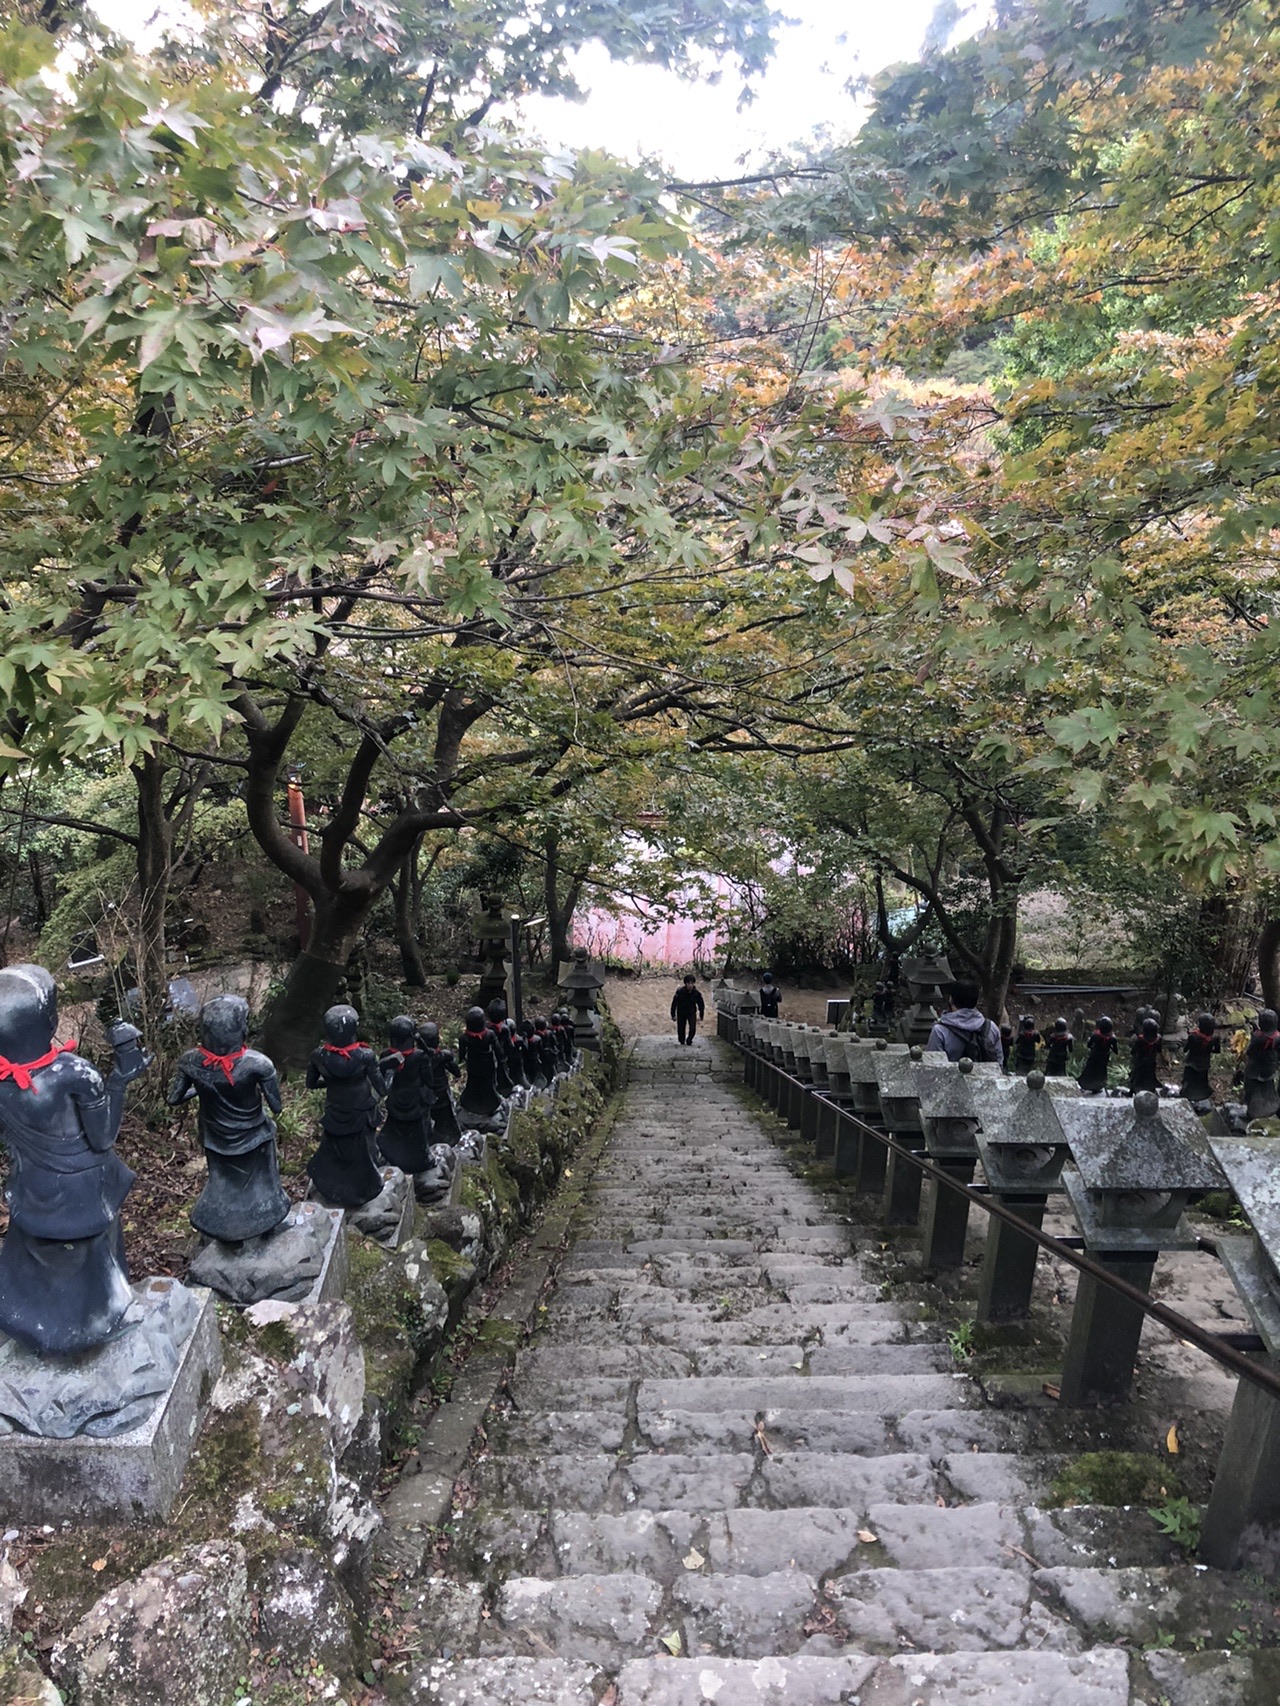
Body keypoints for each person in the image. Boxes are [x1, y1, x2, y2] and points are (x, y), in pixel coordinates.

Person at [924, 980, 1002, 1063]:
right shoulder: (991, 1027)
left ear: (951, 1000)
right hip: (985, 1075)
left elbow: (933, 1065)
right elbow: (999, 1062)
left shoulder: (940, 1031)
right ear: (975, 1002)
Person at [671, 974, 705, 1045]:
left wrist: (701, 1015)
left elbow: (701, 1005)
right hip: (681, 1012)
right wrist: (673, 1014)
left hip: (691, 1012)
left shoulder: (696, 993)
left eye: (692, 983)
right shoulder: (680, 992)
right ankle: (682, 1040)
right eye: (688, 983)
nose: (690, 985)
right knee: (681, 1028)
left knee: (692, 1028)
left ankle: (689, 1039)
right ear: (685, 984)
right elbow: (674, 1003)